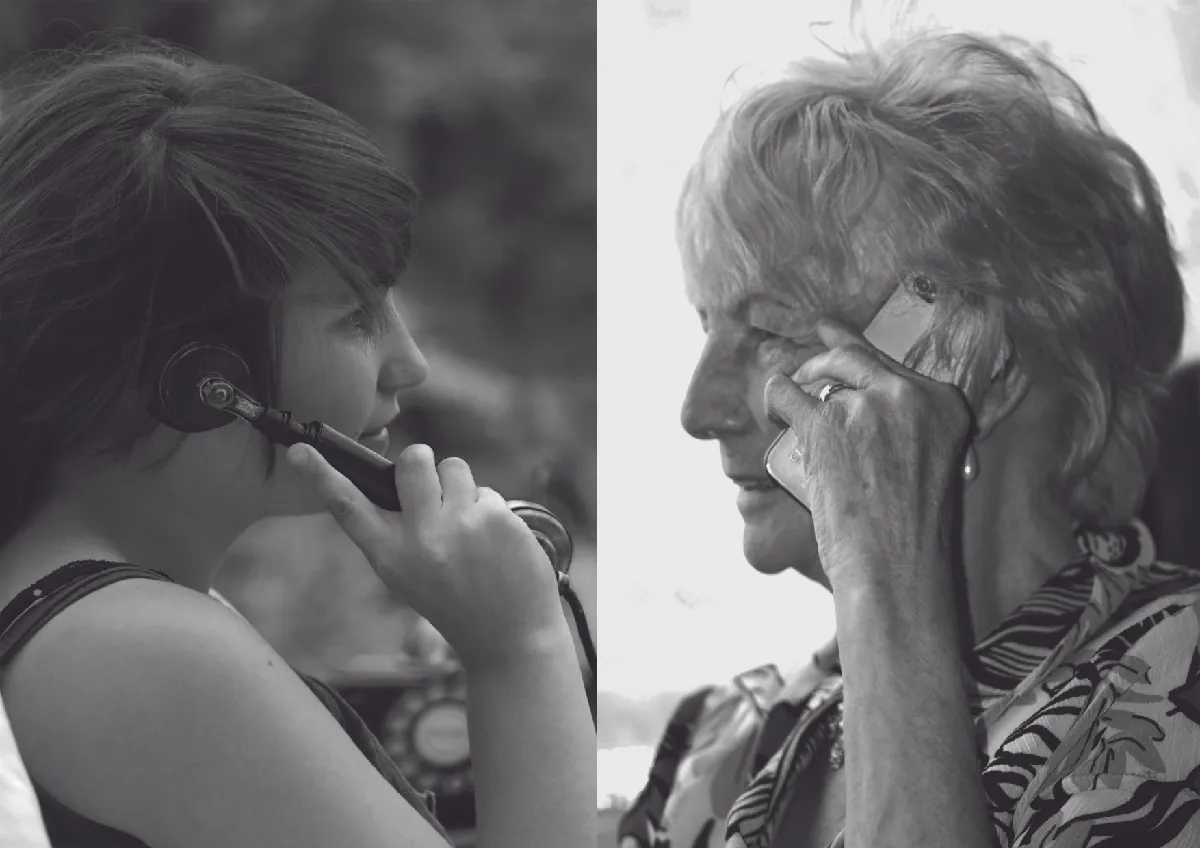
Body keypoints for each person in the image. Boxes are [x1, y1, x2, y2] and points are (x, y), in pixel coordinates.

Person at [0, 37, 594, 848]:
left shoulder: (97, 618)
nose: (409, 364)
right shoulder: (150, 650)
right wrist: (519, 649)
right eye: (357, 316)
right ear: (198, 377)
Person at [618, 31, 1200, 848]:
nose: (699, 409)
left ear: (977, 365)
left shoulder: (1174, 701)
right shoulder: (712, 740)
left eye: (771, 328)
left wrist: (885, 578)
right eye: (707, 325)